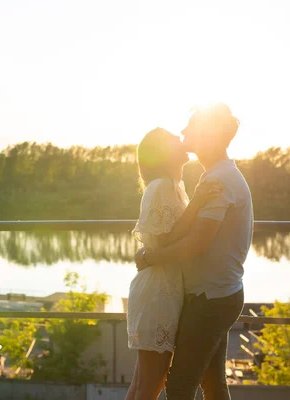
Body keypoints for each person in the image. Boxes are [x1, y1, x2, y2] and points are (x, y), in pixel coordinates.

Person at [135, 103, 253, 400]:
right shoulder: (215, 175)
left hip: (210, 300)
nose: (184, 131)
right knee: (212, 383)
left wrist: (149, 258)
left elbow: (196, 243)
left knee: (180, 385)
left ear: (206, 137)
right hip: (215, 294)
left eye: (190, 127)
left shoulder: (218, 179)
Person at [125, 127, 221, 400]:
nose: (181, 139)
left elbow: (175, 232)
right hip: (157, 293)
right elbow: (166, 239)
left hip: (164, 289)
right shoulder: (161, 186)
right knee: (149, 387)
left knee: (143, 386)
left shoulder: (174, 185)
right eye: (173, 139)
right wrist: (200, 201)